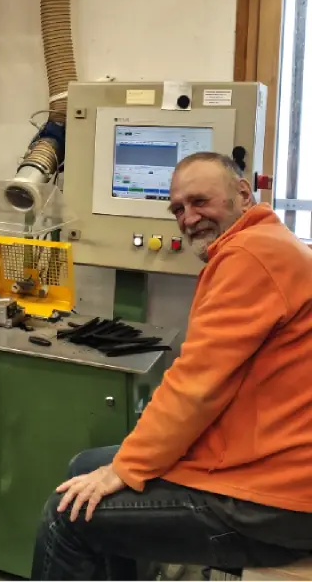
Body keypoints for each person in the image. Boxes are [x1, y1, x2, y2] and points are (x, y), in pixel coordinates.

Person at [31, 152, 312, 581]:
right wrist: (121, 466)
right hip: (261, 461)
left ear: (242, 193)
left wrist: (126, 468)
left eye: (200, 201)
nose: (188, 217)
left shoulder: (250, 257)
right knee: (85, 468)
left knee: (65, 516)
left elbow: (196, 387)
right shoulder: (266, 244)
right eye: (178, 209)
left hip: (274, 502)